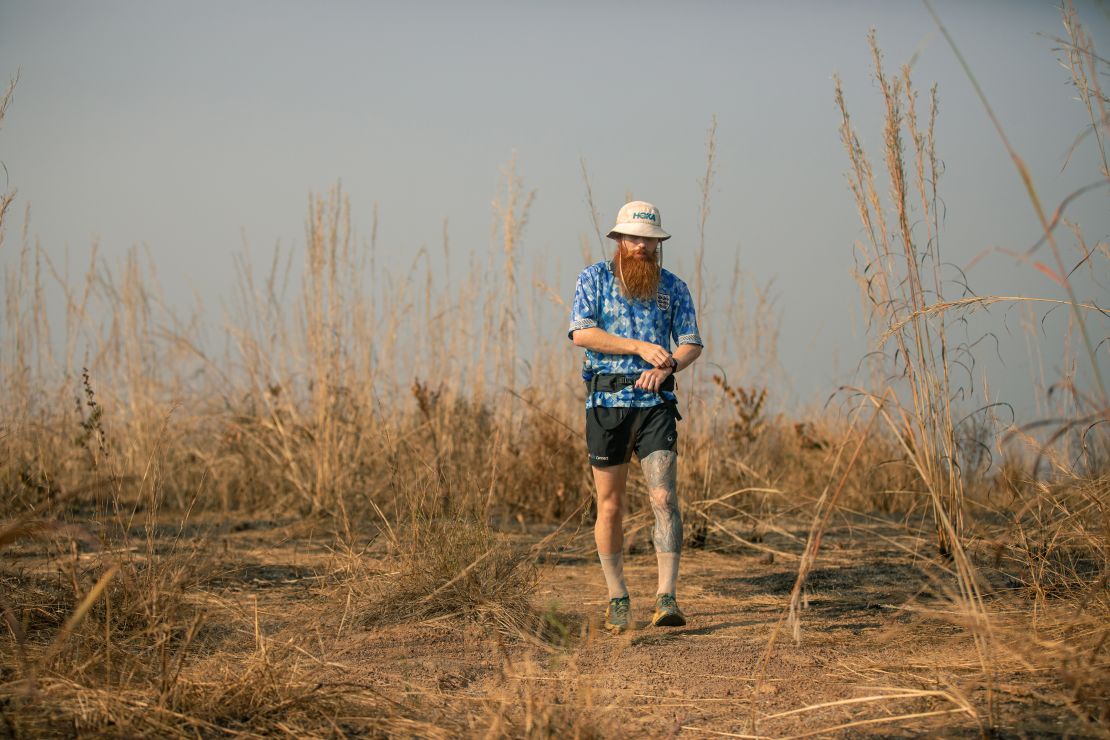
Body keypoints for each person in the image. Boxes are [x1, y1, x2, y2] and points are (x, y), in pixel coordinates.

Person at [567, 200, 703, 633]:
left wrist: (668, 366)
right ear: (619, 240)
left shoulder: (674, 288)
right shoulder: (593, 279)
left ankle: (667, 597)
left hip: (656, 407)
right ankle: (617, 597)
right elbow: (581, 332)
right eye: (634, 238)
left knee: (664, 498)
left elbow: (691, 341)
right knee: (610, 506)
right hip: (606, 404)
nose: (642, 246)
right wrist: (638, 347)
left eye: (649, 239)